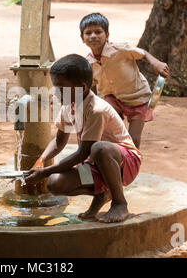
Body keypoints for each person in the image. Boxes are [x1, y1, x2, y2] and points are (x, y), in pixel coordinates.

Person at [25, 54, 142, 223]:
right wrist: (41, 161)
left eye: (61, 88)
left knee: (99, 148)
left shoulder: (96, 110)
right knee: (55, 183)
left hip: (125, 162)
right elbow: (59, 141)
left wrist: (45, 171)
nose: (57, 93)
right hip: (95, 163)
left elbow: (83, 153)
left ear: (81, 87)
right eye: (55, 87)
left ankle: (119, 203)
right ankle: (103, 193)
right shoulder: (69, 105)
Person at [80, 13, 170, 148]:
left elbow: (143, 53)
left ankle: (133, 162)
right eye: (88, 33)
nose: (93, 36)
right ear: (82, 38)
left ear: (107, 34)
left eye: (98, 32)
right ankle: (114, 161)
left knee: (133, 138)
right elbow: (92, 86)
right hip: (113, 99)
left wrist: (156, 63)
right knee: (108, 134)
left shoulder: (120, 49)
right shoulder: (88, 63)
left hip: (138, 98)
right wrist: (91, 105)